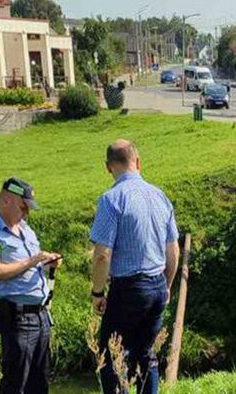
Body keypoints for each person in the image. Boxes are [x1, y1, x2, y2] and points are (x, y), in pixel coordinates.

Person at [90, 141, 179, 394]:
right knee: (146, 354)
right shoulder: (160, 196)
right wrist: (167, 286)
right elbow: (173, 250)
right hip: (157, 285)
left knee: (112, 356)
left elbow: (102, 256)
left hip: (128, 287)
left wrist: (98, 292)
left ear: (108, 167)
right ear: (138, 162)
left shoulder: (111, 200)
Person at [0, 178, 62, 394]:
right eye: (23, 207)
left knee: (39, 383)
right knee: (16, 384)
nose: (26, 213)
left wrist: (46, 263)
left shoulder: (26, 230)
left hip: (41, 316)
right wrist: (31, 261)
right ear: (6, 200)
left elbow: (30, 267)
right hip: (18, 318)